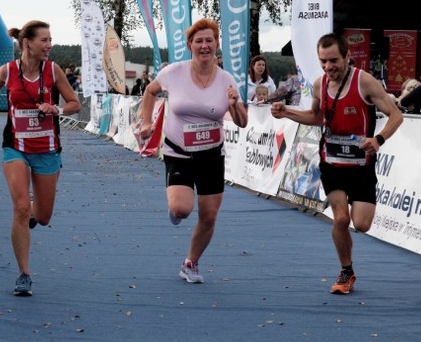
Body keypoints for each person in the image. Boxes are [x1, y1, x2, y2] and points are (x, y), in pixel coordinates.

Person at [270, 32, 403, 295]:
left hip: (361, 165)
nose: (328, 67)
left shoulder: (364, 82)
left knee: (361, 224)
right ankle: (346, 270)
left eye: (333, 60)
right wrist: (287, 112)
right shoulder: (319, 85)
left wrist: (378, 139)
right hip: (331, 162)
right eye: (323, 61)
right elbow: (316, 116)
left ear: (346, 57)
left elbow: (396, 115)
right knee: (341, 219)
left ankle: (347, 265)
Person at [0, 20, 81, 296]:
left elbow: (75, 104)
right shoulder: (7, 71)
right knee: (19, 208)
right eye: (44, 40)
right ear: (27, 43)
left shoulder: (53, 70)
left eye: (51, 40)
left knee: (42, 217)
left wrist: (55, 108)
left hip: (47, 149)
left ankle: (33, 210)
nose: (49, 45)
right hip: (15, 147)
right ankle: (23, 274)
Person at [139, 18, 248, 284]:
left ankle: (190, 262)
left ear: (217, 44)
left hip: (212, 155)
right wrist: (146, 122)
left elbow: (243, 122)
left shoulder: (226, 79)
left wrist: (234, 104)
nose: (204, 45)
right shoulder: (173, 73)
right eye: (199, 41)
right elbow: (150, 92)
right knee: (181, 209)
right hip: (179, 152)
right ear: (190, 45)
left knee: (209, 216)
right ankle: (175, 208)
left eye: (209, 40)